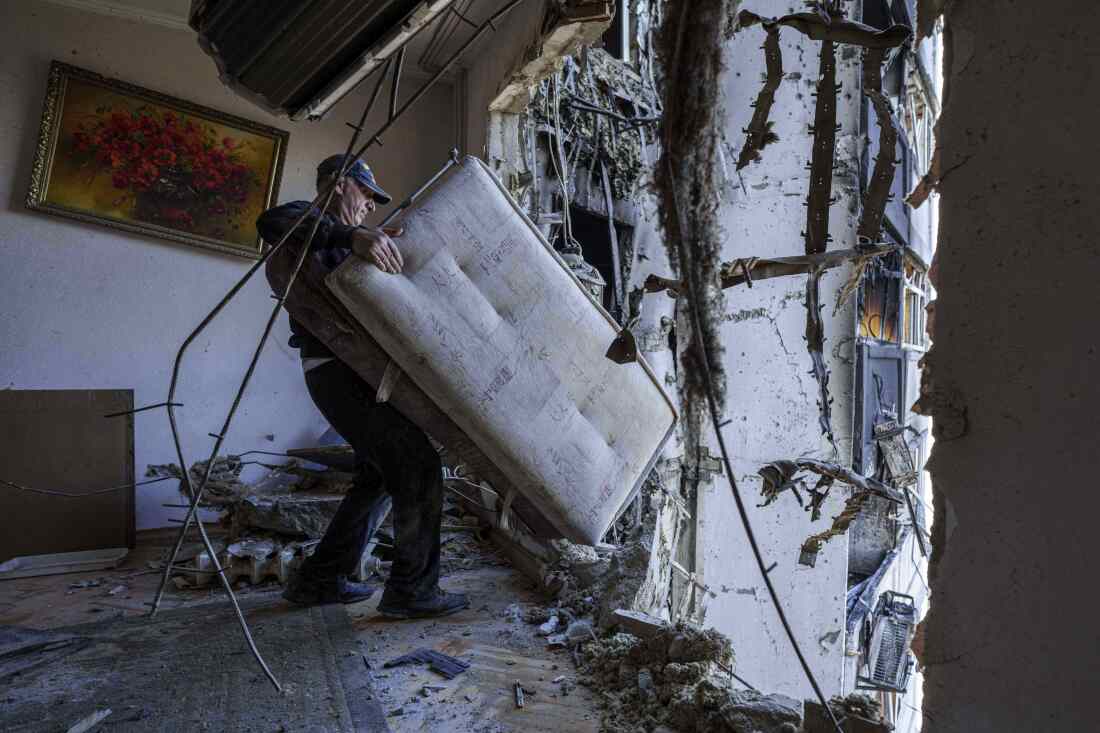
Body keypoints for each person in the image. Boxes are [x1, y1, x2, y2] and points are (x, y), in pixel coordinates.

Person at [257, 155, 469, 619]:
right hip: (338, 372)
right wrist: (352, 236)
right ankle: (412, 591)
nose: (371, 205)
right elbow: (271, 220)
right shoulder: (306, 224)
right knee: (418, 466)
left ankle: (319, 579)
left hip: (350, 373)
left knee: (378, 477)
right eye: (366, 193)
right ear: (338, 183)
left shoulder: (336, 239)